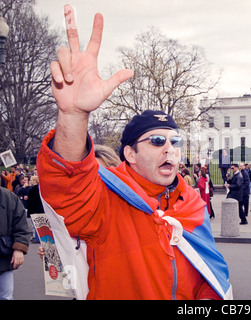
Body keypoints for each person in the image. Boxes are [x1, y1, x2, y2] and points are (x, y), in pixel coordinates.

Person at [36, 5, 231, 300]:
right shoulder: (104, 198)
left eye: (175, 141)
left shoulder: (192, 202)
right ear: (129, 154)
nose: (169, 148)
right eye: (155, 141)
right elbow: (67, 186)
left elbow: (209, 273)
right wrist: (74, 115)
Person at [0, 186, 32, 300]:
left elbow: (21, 226)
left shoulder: (8, 197)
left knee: (5, 297)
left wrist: (19, 249)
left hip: (3, 258)